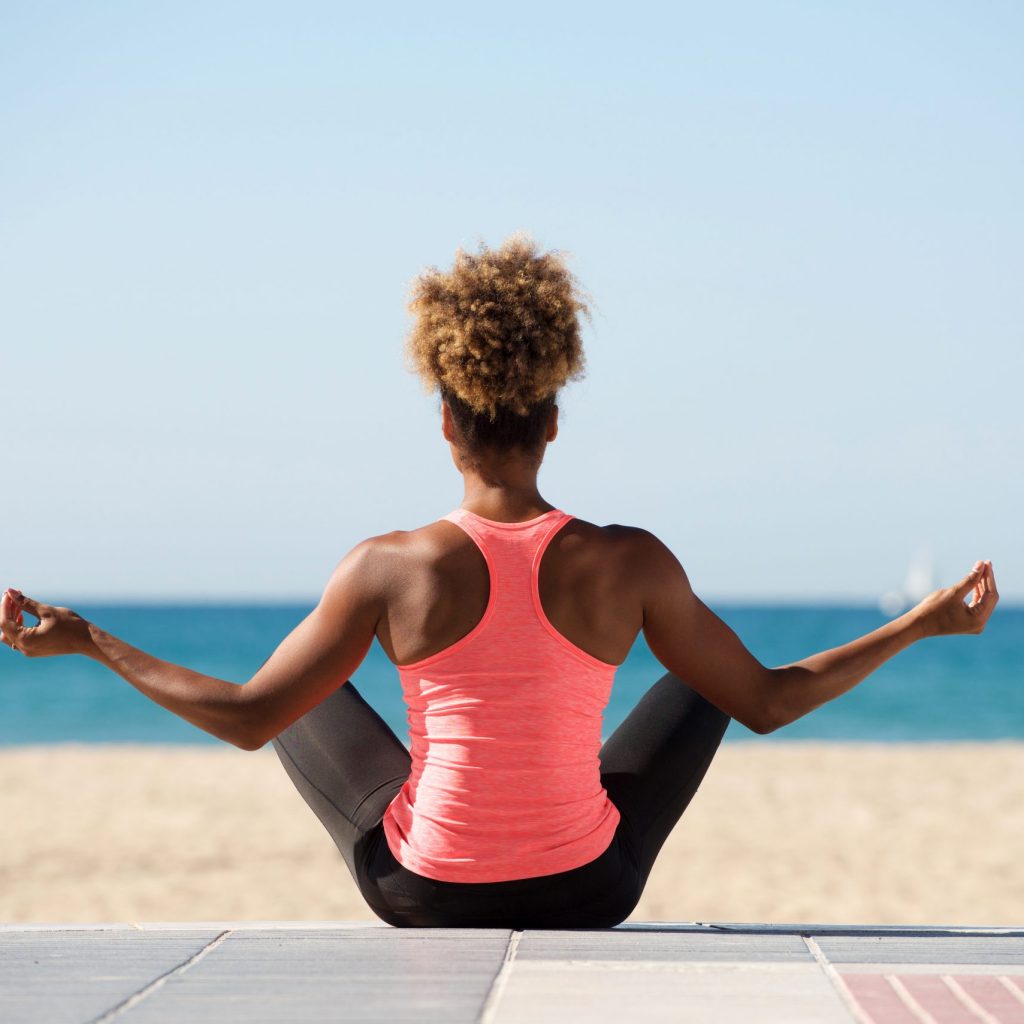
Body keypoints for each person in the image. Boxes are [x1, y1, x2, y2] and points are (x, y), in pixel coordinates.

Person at [0, 233, 999, 930]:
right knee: (708, 676)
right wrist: (917, 623)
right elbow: (773, 700)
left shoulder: (384, 568)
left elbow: (248, 715)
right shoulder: (631, 560)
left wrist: (88, 639)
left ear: (445, 420)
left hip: (422, 892)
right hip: (586, 890)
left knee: (302, 691)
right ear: (554, 420)